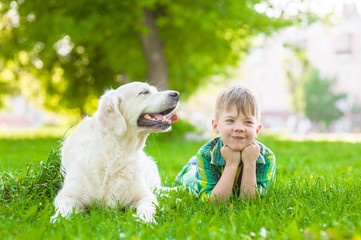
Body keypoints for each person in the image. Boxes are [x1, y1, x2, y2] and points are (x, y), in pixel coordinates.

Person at [176, 85, 276, 202]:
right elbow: (213, 203)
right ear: (215, 126)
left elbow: (249, 202)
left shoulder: (267, 157)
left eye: (248, 122)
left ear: (257, 130)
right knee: (189, 179)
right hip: (193, 171)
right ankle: (189, 167)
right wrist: (231, 165)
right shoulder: (206, 154)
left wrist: (250, 164)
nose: (239, 128)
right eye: (230, 121)